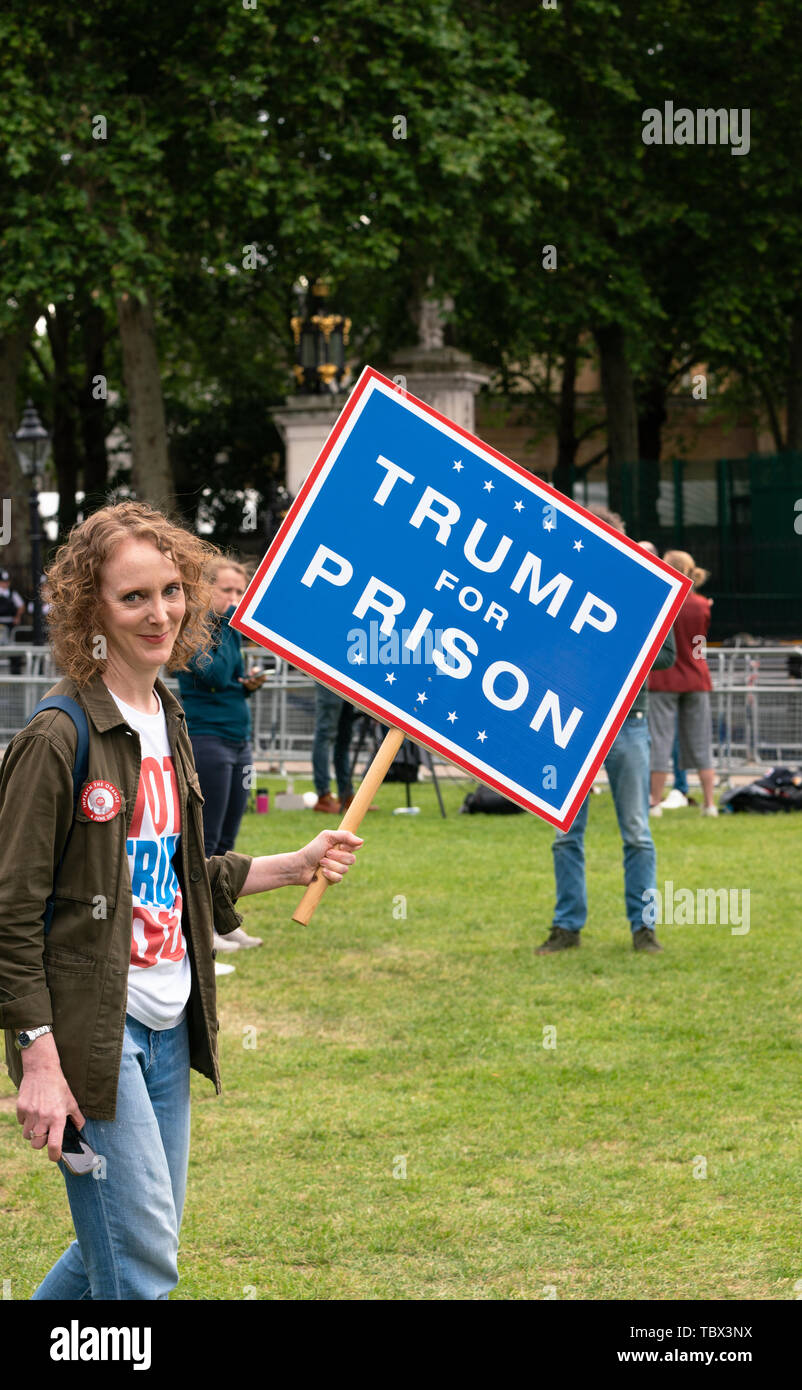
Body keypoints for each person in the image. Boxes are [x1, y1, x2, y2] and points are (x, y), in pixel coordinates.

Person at [0, 501, 362, 1301]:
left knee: (125, 1248)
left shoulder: (167, 713)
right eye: (134, 598)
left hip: (170, 1022)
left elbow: (175, 874)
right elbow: (11, 914)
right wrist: (36, 1057)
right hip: (93, 1035)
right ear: (92, 609)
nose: (159, 612)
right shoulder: (57, 738)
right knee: (142, 1268)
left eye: (171, 590)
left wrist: (293, 864)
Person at [536, 507, 675, 956]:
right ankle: (567, 927)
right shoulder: (558, 587)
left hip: (628, 724)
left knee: (636, 831)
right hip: (571, 723)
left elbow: (668, 655)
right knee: (565, 833)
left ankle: (643, 929)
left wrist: (617, 646)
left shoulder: (645, 593)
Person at [177, 557, 266, 956]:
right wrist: (230, 627)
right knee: (206, 839)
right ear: (205, 589)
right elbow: (212, 675)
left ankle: (222, 921)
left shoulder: (228, 631)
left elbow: (229, 679)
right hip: (207, 738)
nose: (235, 599)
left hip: (237, 737)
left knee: (228, 839)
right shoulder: (195, 629)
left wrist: (246, 684)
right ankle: (198, 928)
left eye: (240, 592)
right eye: (227, 591)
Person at [648, 550, 717, 816]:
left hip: (664, 680)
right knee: (701, 741)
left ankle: (654, 803)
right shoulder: (701, 605)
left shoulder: (663, 601)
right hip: (697, 677)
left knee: (660, 742)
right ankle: (710, 804)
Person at [312, 687, 356, 813]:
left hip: (349, 678)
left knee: (345, 738)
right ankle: (323, 796)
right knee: (325, 734)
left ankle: (346, 795)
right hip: (330, 677)